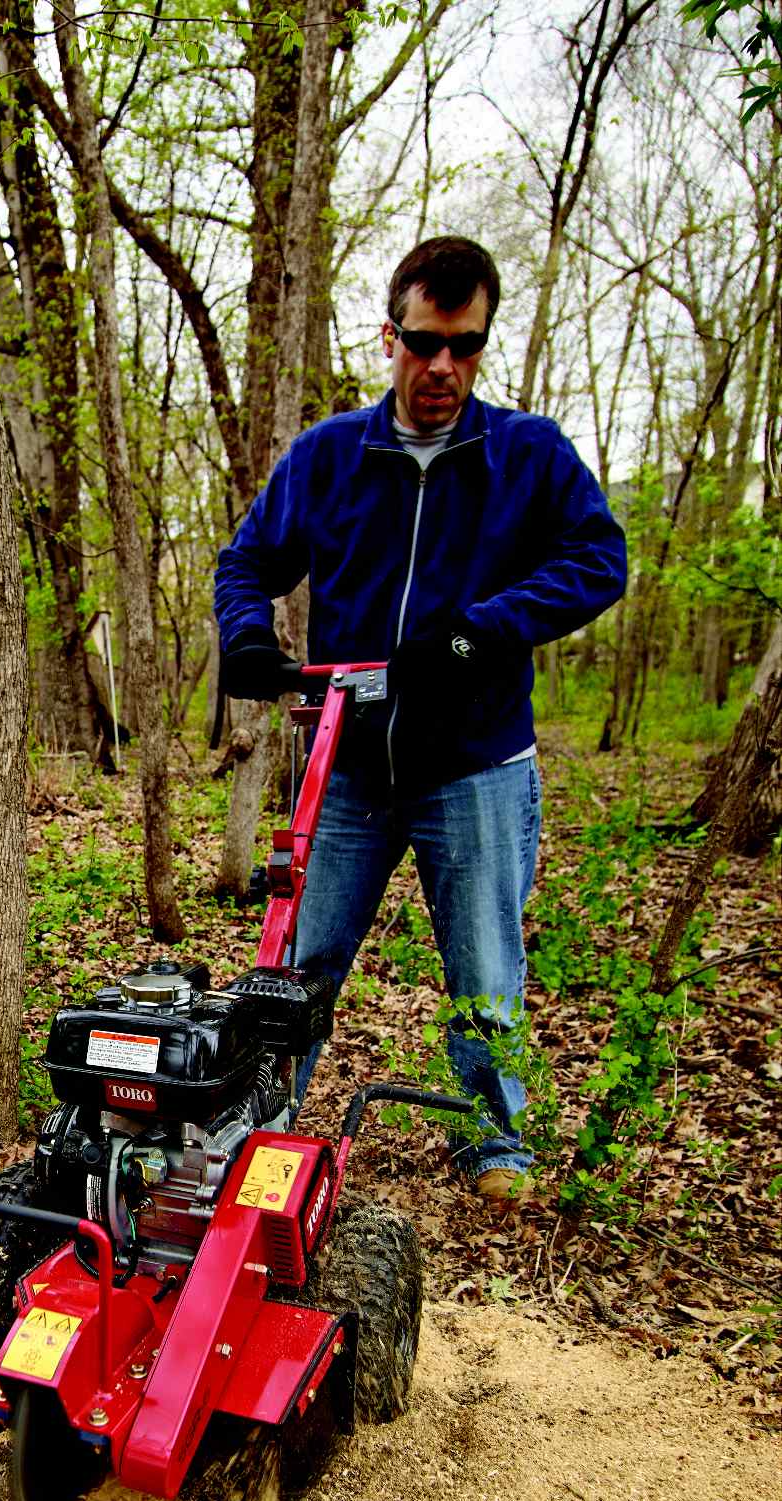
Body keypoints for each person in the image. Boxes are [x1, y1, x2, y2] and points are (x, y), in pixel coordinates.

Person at [213, 236, 627, 1201]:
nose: (441, 367)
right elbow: (246, 564)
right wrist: (244, 636)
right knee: (301, 961)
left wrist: (479, 634)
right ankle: (261, 1126)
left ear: (480, 345)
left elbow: (598, 561)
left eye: (464, 346)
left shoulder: (526, 456)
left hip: (474, 765)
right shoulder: (328, 458)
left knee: (484, 962)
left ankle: (496, 1142)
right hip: (347, 769)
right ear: (390, 334)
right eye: (424, 342)